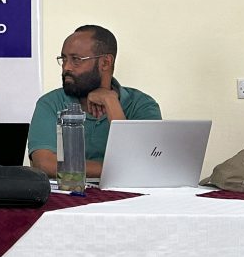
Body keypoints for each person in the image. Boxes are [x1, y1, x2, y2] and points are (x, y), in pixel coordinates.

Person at [28, 25, 161, 178]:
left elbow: (149, 162)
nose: (66, 67)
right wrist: (122, 169)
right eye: (63, 59)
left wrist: (111, 102)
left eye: (76, 60)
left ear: (105, 63)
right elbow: (45, 164)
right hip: (69, 197)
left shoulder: (142, 105)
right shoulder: (50, 103)